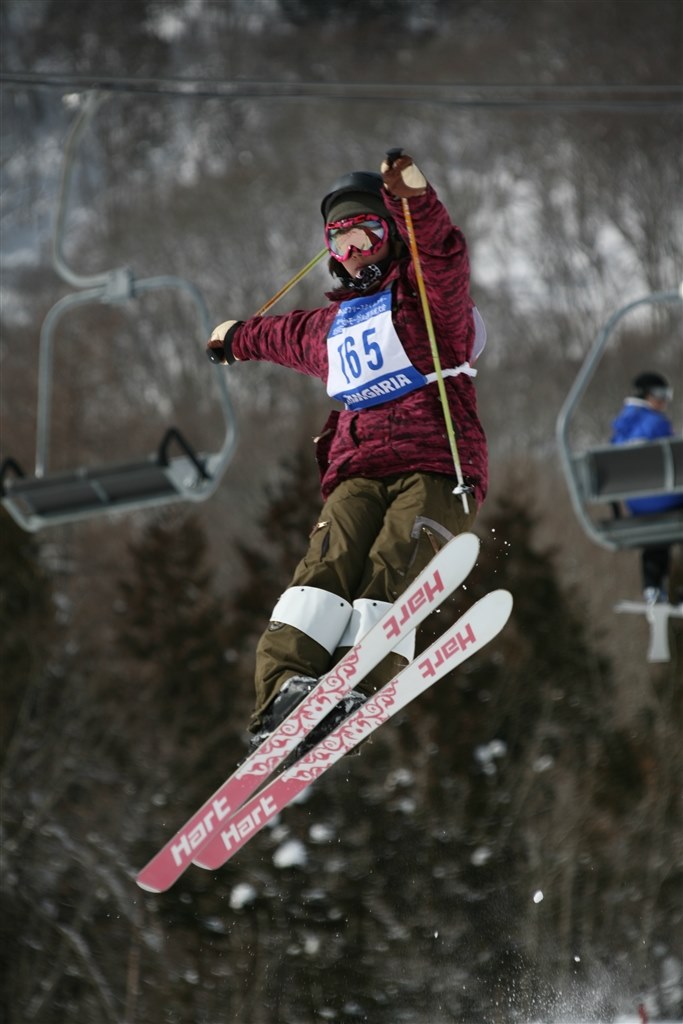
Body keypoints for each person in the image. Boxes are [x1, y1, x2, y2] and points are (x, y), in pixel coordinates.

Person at [207, 151, 488, 750]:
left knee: (392, 561)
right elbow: (281, 335)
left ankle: (356, 677)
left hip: (435, 465)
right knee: (324, 567)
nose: (355, 250)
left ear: (391, 237)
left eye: (368, 232)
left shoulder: (429, 305)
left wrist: (416, 202)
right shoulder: (335, 327)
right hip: (357, 470)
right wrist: (237, 338)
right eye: (341, 241)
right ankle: (286, 686)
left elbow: (442, 255)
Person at [610, 371, 683, 604]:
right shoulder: (657, 422)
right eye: (661, 394)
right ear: (645, 395)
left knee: (656, 536)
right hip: (666, 499)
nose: (665, 400)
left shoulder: (620, 428)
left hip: (637, 506)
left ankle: (652, 587)